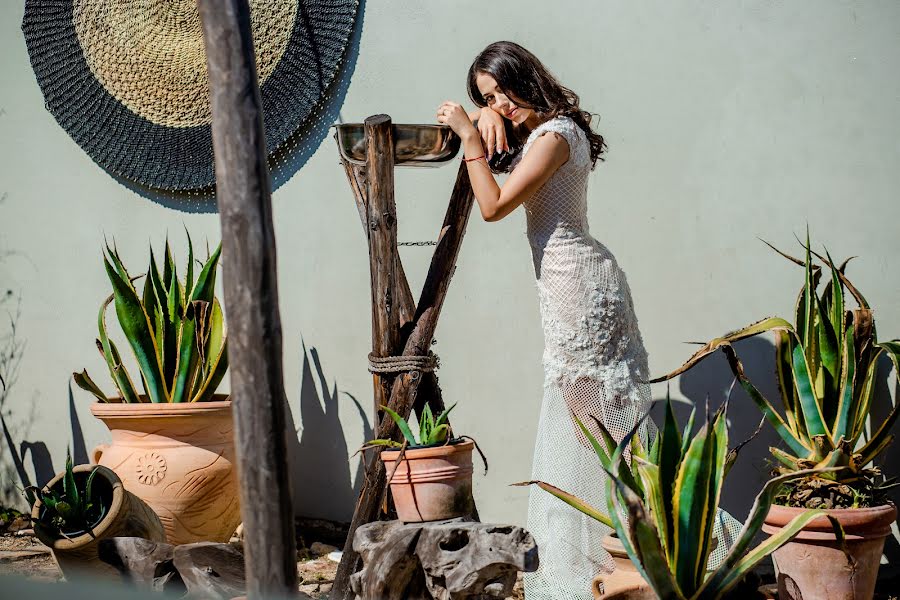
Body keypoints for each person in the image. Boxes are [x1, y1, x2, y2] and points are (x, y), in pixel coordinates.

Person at [436, 41, 655, 599]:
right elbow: (505, 157)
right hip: (566, 283)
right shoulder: (544, 131)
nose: (499, 106)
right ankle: (622, 553)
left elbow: (493, 205)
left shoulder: (556, 136)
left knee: (597, 426)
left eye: (502, 91)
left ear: (523, 76)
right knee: (592, 426)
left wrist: (468, 137)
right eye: (487, 98)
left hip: (580, 287)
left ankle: (642, 548)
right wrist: (486, 115)